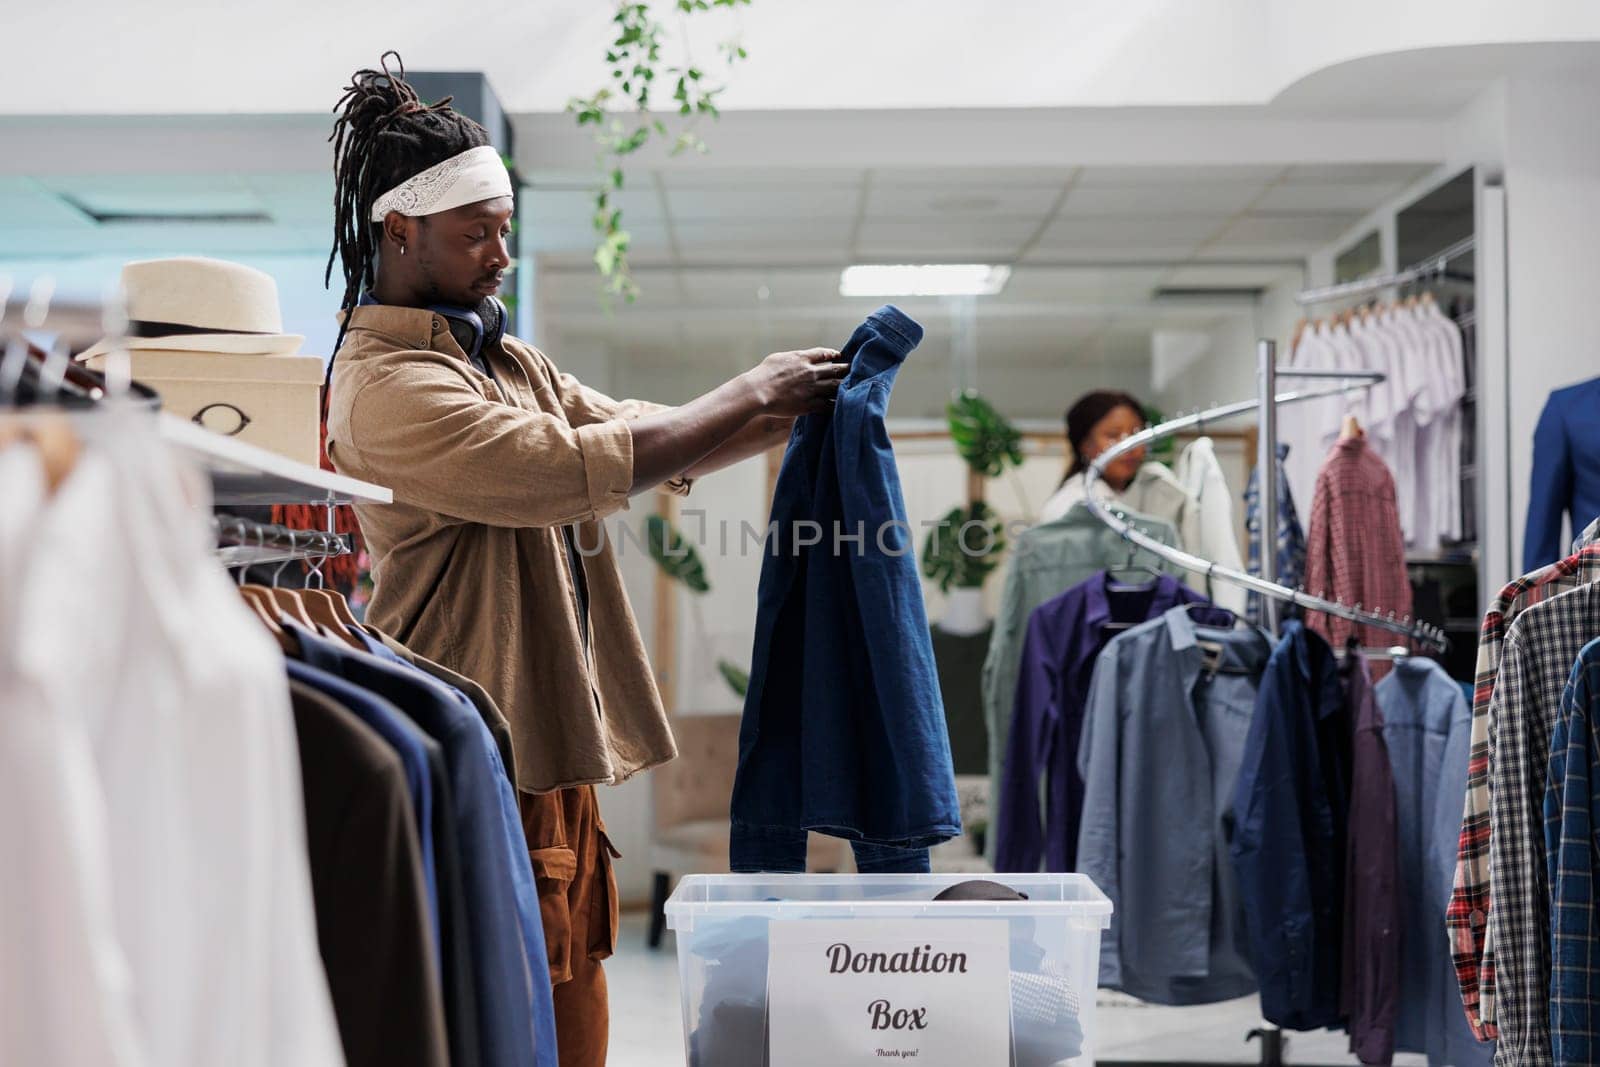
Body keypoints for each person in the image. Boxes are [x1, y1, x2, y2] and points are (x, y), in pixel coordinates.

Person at [320, 54, 846, 1067]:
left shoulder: (503, 359)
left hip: (549, 739)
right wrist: (748, 389)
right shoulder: (385, 386)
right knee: (504, 998)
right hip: (473, 740)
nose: (500, 254)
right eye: (477, 234)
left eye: (504, 230)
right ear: (400, 232)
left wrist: (790, 408)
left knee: (573, 976)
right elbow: (564, 467)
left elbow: (642, 428)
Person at [1038, 389, 1158, 523]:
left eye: (1136, 434)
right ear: (1084, 445)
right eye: (1113, 435)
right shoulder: (1073, 505)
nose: (1128, 445)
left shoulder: (1147, 495)